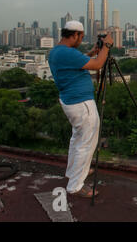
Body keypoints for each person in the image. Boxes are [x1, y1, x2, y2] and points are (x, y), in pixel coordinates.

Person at [48, 20, 113, 198]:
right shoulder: (67, 54)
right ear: (75, 35)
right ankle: (75, 185)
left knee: (77, 140)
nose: (80, 40)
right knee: (86, 144)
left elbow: (76, 62)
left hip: (71, 102)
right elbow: (97, 65)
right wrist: (106, 46)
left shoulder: (57, 52)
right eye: (81, 37)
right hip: (82, 104)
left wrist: (91, 53)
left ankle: (73, 171)